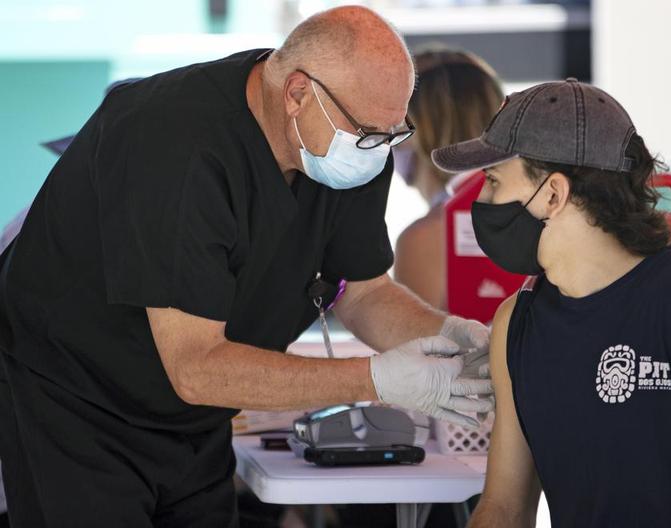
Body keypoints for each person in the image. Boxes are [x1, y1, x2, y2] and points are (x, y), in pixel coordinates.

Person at [0, 7, 494, 527]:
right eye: (369, 134)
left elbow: (363, 292)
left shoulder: (355, 147)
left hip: (195, 418)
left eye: (394, 134)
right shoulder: (175, 143)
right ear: (298, 94)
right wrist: (376, 379)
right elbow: (195, 366)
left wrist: (455, 339)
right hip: (76, 401)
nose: (380, 151)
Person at [431, 79, 671, 527]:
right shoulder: (517, 322)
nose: (482, 201)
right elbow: (505, 507)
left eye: (492, 181)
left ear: (552, 194)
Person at [393, 48, 504, 309]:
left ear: (417, 132)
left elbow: (415, 347)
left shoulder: (423, 240)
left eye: (393, 128)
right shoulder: (541, 217)